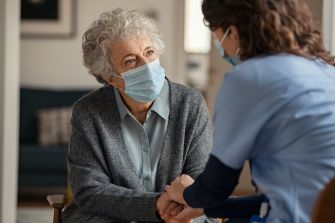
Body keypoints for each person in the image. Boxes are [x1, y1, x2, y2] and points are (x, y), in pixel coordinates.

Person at [161, 0, 335, 222]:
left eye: (216, 35)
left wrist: (184, 192)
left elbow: (214, 188)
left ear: (232, 31)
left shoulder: (249, 77)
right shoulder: (326, 71)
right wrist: (206, 208)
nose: (220, 45)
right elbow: (277, 202)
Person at [61, 8, 215, 223]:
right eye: (131, 61)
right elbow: (89, 190)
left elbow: (202, 178)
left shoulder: (191, 103)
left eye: (149, 52)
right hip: (110, 216)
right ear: (111, 78)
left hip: (181, 214)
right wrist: (153, 205)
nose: (147, 65)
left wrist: (172, 209)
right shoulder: (88, 112)